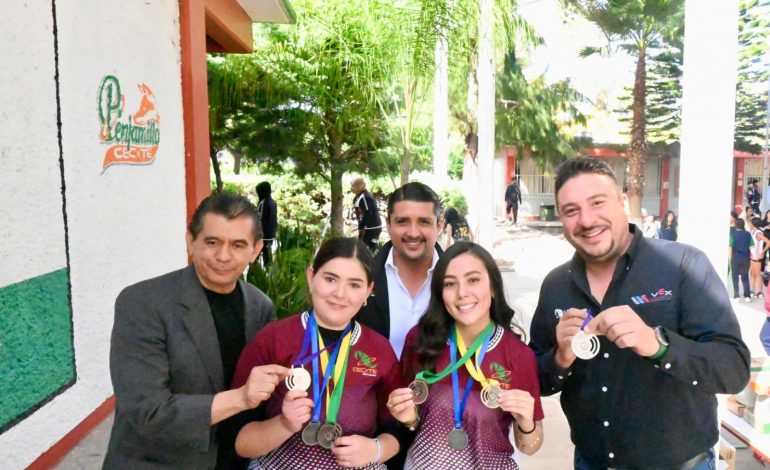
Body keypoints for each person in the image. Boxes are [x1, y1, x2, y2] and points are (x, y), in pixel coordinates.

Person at [529, 157, 750, 470]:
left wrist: (658, 345)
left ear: (622, 202)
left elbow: (734, 370)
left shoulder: (683, 266)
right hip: (590, 463)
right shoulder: (556, 285)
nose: (587, 220)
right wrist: (560, 359)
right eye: (571, 210)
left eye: (597, 202)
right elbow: (536, 379)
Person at [104, 193, 287, 470]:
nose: (223, 256)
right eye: (212, 242)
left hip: (233, 459)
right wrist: (240, 397)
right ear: (191, 241)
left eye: (238, 245)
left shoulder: (260, 305)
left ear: (256, 249)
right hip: (159, 462)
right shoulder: (142, 302)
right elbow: (148, 411)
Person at [231, 238, 402, 469]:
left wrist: (376, 449)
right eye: (330, 279)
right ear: (311, 277)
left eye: (354, 284)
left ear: (368, 291)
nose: (340, 294)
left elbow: (397, 429)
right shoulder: (272, 339)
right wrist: (283, 424)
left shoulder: (379, 350)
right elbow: (239, 441)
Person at [386, 242, 544, 469]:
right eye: (450, 284)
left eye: (473, 280)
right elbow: (408, 421)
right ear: (440, 292)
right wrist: (407, 416)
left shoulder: (518, 355)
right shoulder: (420, 340)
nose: (462, 293)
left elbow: (530, 446)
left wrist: (526, 423)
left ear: (492, 286)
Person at [356, 182, 442, 359]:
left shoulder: (460, 280)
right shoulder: (360, 278)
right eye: (402, 221)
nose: (412, 233)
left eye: (423, 222)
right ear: (388, 224)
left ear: (439, 225)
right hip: (377, 386)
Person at [352, 177, 383, 253]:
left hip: (371, 226)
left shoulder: (365, 196)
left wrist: (362, 227)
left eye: (354, 186)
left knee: (362, 249)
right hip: (371, 226)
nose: (352, 188)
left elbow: (368, 212)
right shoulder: (361, 196)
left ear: (359, 186)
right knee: (369, 248)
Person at [731, 218, 753, 302]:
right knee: (745, 277)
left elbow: (730, 247)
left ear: (736, 225)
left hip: (735, 257)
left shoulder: (732, 234)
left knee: (735, 277)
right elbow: (751, 246)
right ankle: (747, 296)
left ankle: (736, 296)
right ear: (743, 225)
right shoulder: (748, 234)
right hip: (746, 258)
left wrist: (730, 259)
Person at [256, 181, 278, 269]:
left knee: (255, 255)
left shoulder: (263, 203)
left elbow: (259, 218)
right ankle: (268, 274)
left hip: (263, 235)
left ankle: (255, 274)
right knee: (267, 257)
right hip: (271, 234)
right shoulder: (273, 202)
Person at [749, 217, 769, 298]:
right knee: (752, 274)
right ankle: (752, 291)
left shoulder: (758, 233)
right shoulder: (753, 231)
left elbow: (768, 242)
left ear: (754, 224)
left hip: (757, 257)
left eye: (751, 223)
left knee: (758, 274)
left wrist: (763, 252)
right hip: (752, 256)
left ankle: (760, 292)